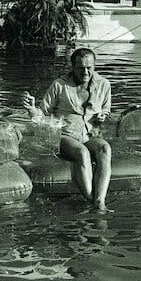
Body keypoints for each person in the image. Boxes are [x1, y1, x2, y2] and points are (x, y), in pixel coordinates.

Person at [22, 48, 112, 211]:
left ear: (94, 66)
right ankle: (93, 201)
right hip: (65, 136)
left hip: (90, 135)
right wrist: (32, 108)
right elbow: (42, 114)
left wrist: (103, 116)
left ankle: (100, 200)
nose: (85, 72)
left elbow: (106, 109)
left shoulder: (104, 84)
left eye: (89, 68)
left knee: (105, 148)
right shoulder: (59, 85)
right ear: (73, 67)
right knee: (82, 152)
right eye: (80, 68)